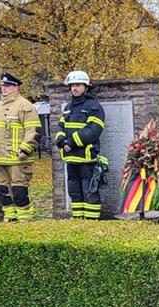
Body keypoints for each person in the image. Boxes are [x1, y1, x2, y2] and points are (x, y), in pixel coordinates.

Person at [0, 73, 40, 222]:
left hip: (17, 158)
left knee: (19, 190)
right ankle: (10, 217)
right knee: (3, 190)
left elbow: (33, 131)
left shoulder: (25, 106)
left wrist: (24, 151)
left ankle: (24, 218)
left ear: (16, 87)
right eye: (3, 86)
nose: (4, 89)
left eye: (7, 86)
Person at [53, 70, 105, 220]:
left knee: (89, 190)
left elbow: (93, 131)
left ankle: (91, 221)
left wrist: (71, 142)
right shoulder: (68, 107)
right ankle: (78, 220)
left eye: (78, 85)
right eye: (72, 85)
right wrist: (61, 141)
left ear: (86, 87)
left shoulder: (93, 107)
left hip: (86, 158)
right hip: (70, 158)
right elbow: (61, 127)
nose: (74, 88)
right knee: (74, 191)